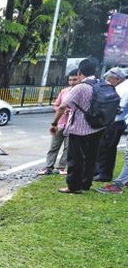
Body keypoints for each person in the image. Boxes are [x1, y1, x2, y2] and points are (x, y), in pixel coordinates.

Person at [51, 57, 106, 194]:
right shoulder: (102, 84)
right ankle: (86, 184)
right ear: (95, 70)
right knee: (91, 157)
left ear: (80, 72)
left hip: (80, 128)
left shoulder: (80, 87)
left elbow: (63, 106)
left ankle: (74, 187)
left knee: (75, 158)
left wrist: (54, 123)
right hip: (98, 127)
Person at [38, 69, 79, 175]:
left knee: (68, 148)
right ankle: (48, 166)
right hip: (60, 123)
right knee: (54, 146)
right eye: (70, 80)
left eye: (74, 80)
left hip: (73, 125)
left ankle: (61, 167)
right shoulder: (64, 91)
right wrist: (62, 110)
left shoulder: (81, 92)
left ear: (79, 79)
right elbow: (56, 105)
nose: (72, 82)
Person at [93, 67, 127, 182]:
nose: (107, 82)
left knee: (106, 148)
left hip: (115, 122)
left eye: (109, 80)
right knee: (104, 147)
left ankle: (104, 174)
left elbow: (119, 107)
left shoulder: (123, 88)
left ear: (117, 78)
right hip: (114, 121)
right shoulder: (120, 87)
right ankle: (99, 171)